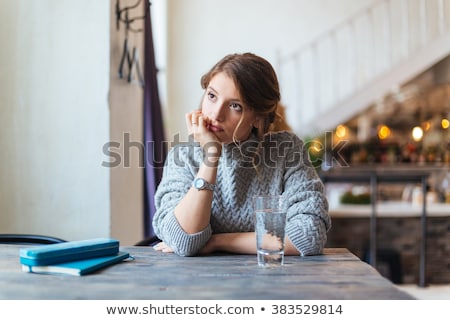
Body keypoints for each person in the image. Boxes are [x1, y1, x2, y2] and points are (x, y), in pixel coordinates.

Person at [152, 52, 331, 257]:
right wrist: (211, 157)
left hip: (272, 281)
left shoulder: (286, 151)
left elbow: (308, 237)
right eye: (211, 96)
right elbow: (182, 241)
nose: (216, 114)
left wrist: (218, 241)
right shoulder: (183, 156)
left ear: (257, 117)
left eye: (235, 106)